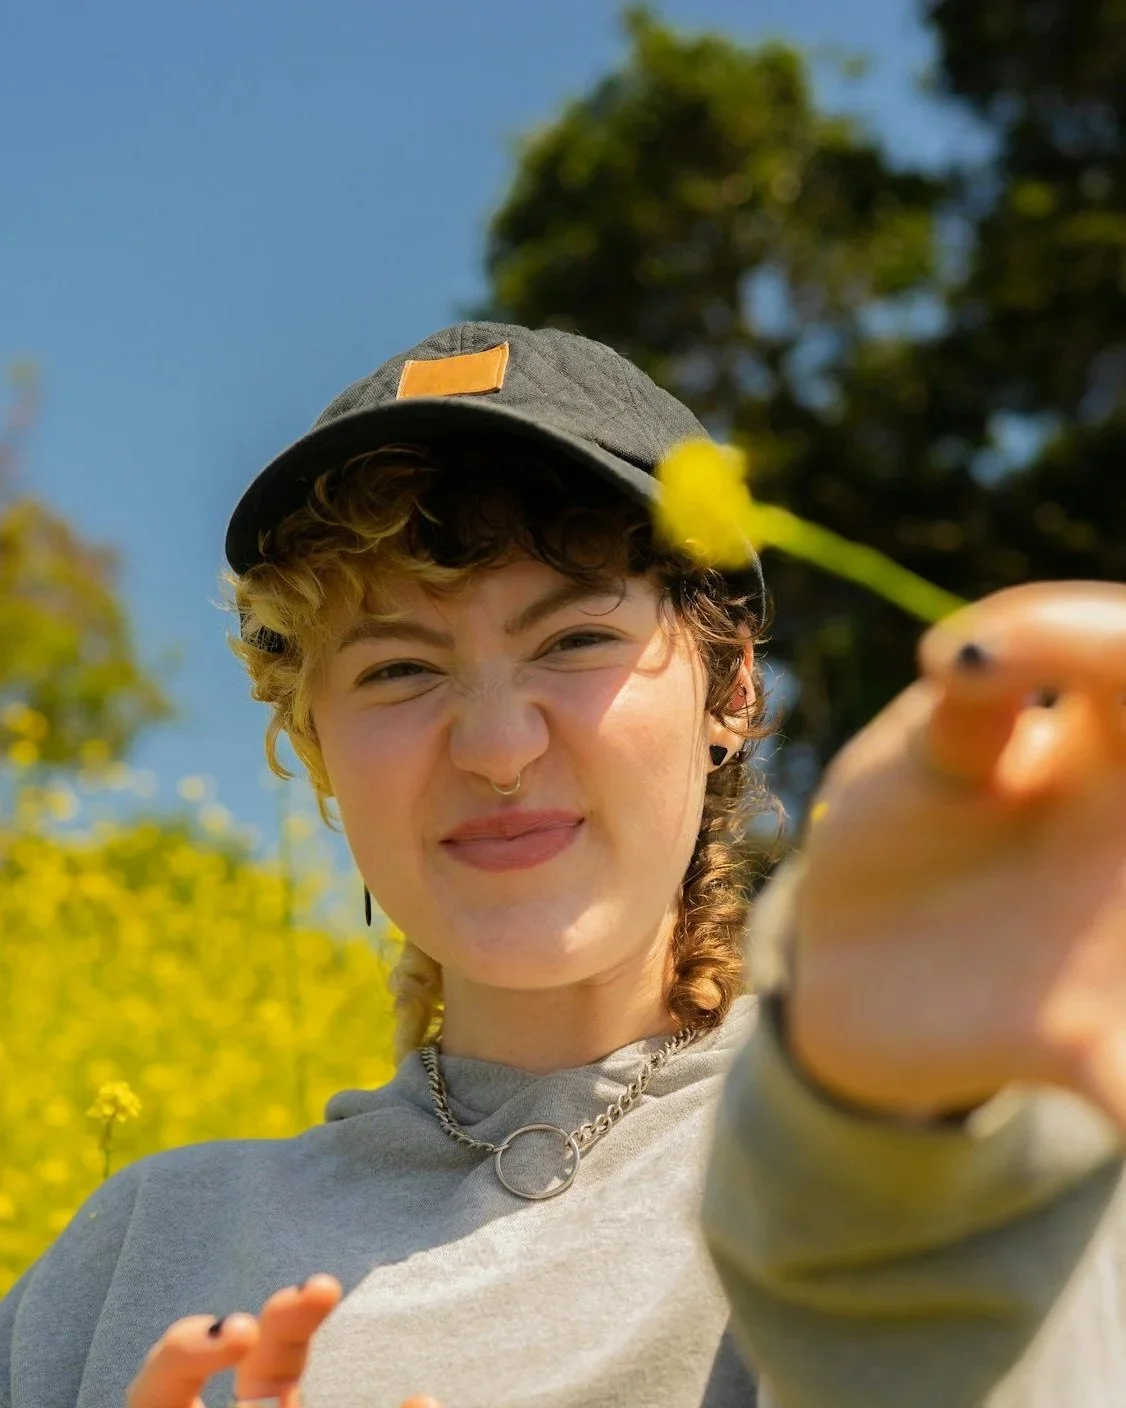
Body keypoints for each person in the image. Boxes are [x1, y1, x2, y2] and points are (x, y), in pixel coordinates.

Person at [1, 322, 1125, 1408]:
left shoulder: (920, 1146)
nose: (497, 748)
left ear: (732, 689)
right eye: (397, 669)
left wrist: (895, 1132)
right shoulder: (126, 1262)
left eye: (575, 641)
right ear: (316, 743)